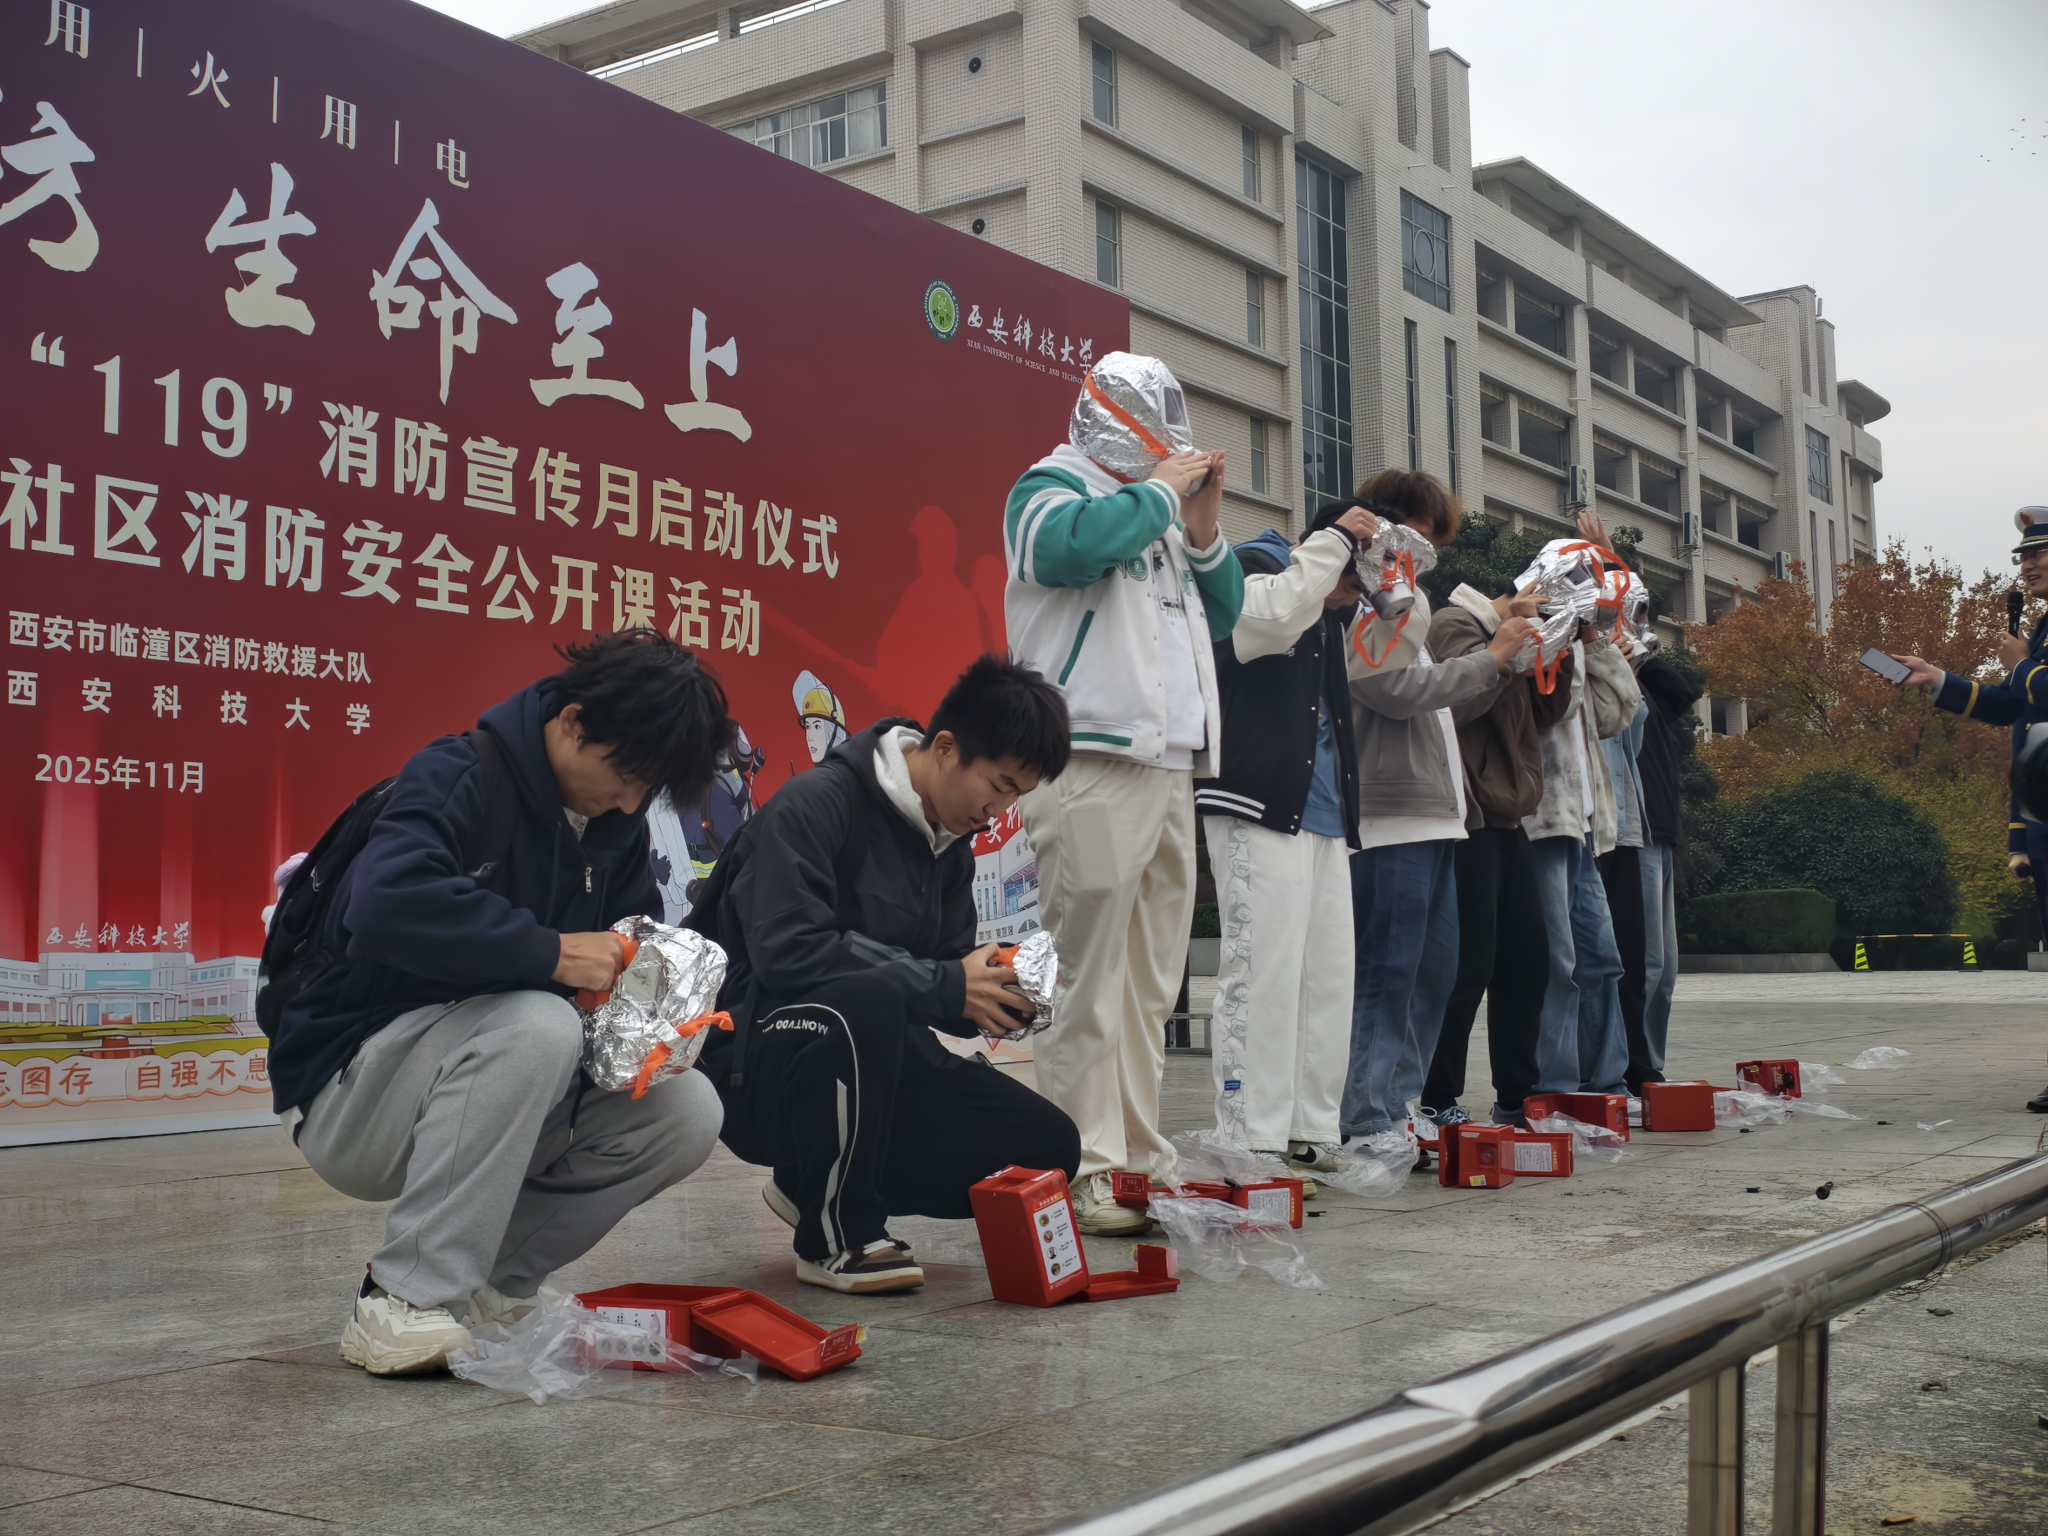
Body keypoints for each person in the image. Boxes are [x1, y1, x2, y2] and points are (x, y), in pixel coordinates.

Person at [268, 631, 738, 1376]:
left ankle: (493, 1285)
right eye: (625, 775)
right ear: (574, 723)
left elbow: (613, 967)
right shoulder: (459, 775)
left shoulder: (612, 831)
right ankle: (402, 1297)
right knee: (537, 1022)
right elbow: (385, 905)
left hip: (496, 1083)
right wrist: (553, 953)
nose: (628, 801)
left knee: (686, 1110)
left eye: (647, 790)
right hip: (354, 1090)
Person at [686, 654, 1082, 1291]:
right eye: (1000, 785)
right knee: (861, 1004)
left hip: (867, 1059)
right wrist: (948, 984)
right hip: (754, 1062)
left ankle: (810, 1178)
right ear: (945, 748)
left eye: (1017, 796)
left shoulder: (950, 844)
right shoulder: (817, 803)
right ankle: (835, 1235)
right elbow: (790, 952)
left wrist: (990, 994)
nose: (1000, 809)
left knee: (1048, 1149)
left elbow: (937, 977)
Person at [1004, 352, 1244, 1233]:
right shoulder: (1051, 486)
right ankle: (1084, 1165)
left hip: (1171, 765)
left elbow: (1224, 616)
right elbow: (1064, 552)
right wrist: (1161, 497)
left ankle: (1141, 1158)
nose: (1173, 453)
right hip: (1091, 759)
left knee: (1150, 986)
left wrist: (1206, 531)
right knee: (1085, 979)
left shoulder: (1161, 513)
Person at [1341, 471, 1534, 1156]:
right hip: (1392, 813)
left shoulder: (1408, 610)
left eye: (1430, 540)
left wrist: (1504, 666)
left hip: (1439, 816)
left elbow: (1441, 701)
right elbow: (1391, 689)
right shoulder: (1371, 602)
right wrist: (1491, 658)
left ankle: (1398, 1106)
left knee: (1435, 973)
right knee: (1389, 971)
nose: (1423, 551)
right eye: (1416, 534)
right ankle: (1365, 1116)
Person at [1194, 499, 1381, 1186]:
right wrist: (1333, 545)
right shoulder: (1254, 566)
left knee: (1327, 979)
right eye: (1353, 577)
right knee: (1262, 970)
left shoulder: (1328, 611)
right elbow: (1265, 622)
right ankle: (1250, 1133)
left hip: (1325, 814)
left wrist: (1392, 577)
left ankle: (1309, 1128)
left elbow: (1393, 639)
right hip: (1257, 800)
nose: (1354, 594)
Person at [1891, 505, 2048, 1112]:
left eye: (2039, 553)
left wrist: (2022, 664)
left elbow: (2034, 690)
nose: (2028, 565)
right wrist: (1938, 679)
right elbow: (2012, 707)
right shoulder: (2041, 631)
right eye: (2023, 556)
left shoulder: (2034, 645)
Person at [1422, 576, 1565, 1129]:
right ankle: (1435, 1097)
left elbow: (1549, 714)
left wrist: (1559, 648)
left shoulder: (1516, 636)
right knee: (1466, 964)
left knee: (1528, 961)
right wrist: (1509, 647)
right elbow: (1455, 704)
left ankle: (1517, 1094)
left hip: (1509, 818)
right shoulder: (1454, 623)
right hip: (1468, 815)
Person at [1518, 517, 1643, 1106]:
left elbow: (1617, 713)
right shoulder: (1527, 635)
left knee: (1603, 960)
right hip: (1544, 821)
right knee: (1559, 963)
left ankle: (1606, 1086)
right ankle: (1556, 1088)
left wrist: (1596, 644)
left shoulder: (1578, 641)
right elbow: (1547, 708)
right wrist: (1561, 632)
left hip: (1588, 826)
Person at [1629, 651, 1703, 1093]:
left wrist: (1643, 654)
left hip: (1662, 829)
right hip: (1634, 830)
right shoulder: (1608, 676)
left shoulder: (1643, 680)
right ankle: (1633, 1068)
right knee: (1647, 960)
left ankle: (1650, 1064)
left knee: (1666, 967)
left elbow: (1683, 692)